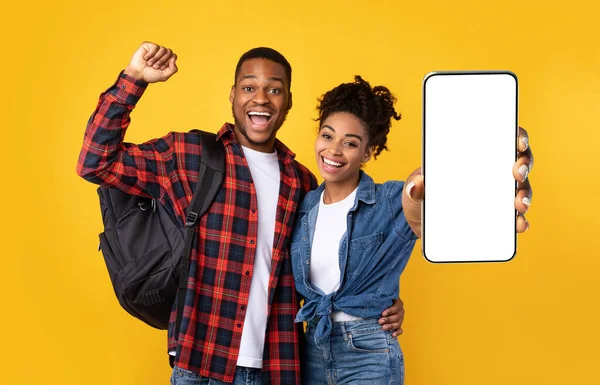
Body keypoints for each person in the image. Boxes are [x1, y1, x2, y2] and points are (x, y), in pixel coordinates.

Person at [76, 42, 405, 385]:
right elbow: (95, 161)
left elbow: (334, 261)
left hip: (278, 367)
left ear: (288, 101)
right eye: (249, 87)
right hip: (202, 364)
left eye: (274, 89)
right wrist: (134, 79)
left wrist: (383, 305)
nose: (260, 98)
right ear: (233, 95)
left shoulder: (303, 182)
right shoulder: (189, 155)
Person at [290, 76, 533, 385]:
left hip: (368, 353)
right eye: (327, 135)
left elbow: (433, 201)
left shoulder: (391, 200)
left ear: (367, 153)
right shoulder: (302, 205)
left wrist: (489, 162)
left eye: (350, 142)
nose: (334, 150)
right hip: (311, 348)